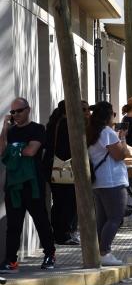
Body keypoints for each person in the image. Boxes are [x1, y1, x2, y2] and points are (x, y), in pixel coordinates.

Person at [0, 98, 55, 273]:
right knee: (13, 224)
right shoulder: (10, 131)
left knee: (41, 220)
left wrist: (13, 150)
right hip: (14, 186)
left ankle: (50, 254)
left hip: (33, 185)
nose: (16, 115)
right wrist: (4, 129)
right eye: (13, 112)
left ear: (28, 110)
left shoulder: (37, 129)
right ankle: (11, 260)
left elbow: (31, 151)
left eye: (19, 111)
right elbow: (2, 151)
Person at [87, 102, 130, 266]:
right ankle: (104, 252)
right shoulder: (107, 132)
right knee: (115, 217)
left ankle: (100, 251)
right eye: (113, 114)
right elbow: (120, 155)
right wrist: (123, 138)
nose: (115, 117)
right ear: (107, 116)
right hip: (112, 181)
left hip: (99, 181)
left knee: (103, 219)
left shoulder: (91, 132)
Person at [42, 101, 84, 246]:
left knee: (58, 202)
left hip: (52, 167)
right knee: (68, 202)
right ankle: (64, 234)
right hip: (64, 168)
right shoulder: (67, 124)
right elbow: (69, 147)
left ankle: (58, 233)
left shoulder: (54, 122)